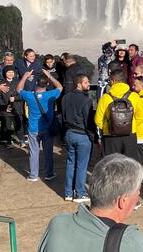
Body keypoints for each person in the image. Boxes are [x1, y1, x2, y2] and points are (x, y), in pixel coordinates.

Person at [38, 154, 143, 252]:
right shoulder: (134, 244)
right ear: (122, 201)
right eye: (137, 191)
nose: (139, 194)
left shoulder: (57, 225)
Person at [18, 69, 63, 181]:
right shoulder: (51, 95)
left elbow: (19, 89)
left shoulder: (29, 96)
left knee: (34, 152)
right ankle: (49, 174)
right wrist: (50, 76)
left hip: (33, 128)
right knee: (48, 152)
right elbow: (60, 87)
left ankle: (33, 175)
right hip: (47, 128)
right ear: (47, 84)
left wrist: (24, 76)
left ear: (36, 83)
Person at [95, 69, 142, 161]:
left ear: (112, 81)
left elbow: (98, 120)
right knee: (129, 164)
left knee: (111, 164)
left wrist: (107, 128)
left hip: (110, 136)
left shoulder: (106, 98)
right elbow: (140, 116)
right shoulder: (134, 96)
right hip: (130, 135)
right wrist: (131, 127)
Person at [62, 73, 93, 202]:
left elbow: (62, 115)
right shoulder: (87, 100)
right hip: (82, 134)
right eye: (86, 82)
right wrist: (93, 136)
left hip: (69, 133)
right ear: (79, 84)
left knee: (70, 163)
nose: (89, 84)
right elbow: (88, 120)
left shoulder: (65, 97)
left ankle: (68, 193)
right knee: (82, 165)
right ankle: (80, 193)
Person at [0, 65, 25, 146]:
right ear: (5, 73)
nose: (10, 74)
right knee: (7, 127)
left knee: (19, 126)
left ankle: (21, 140)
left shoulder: (18, 82)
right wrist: (4, 106)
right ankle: (8, 141)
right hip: (6, 110)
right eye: (8, 72)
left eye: (12, 72)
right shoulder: (1, 83)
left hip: (17, 109)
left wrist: (15, 98)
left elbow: (23, 95)